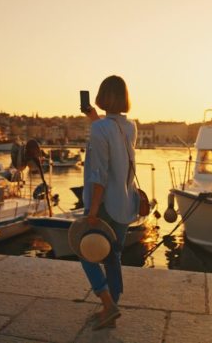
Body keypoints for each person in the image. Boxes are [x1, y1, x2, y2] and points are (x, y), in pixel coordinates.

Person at [81, 75, 139, 330]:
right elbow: (113, 139)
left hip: (104, 204)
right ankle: (109, 308)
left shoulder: (99, 129)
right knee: (113, 256)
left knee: (86, 253)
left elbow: (100, 174)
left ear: (103, 96)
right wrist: (95, 119)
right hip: (125, 202)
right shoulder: (130, 127)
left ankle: (108, 304)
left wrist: (92, 211)